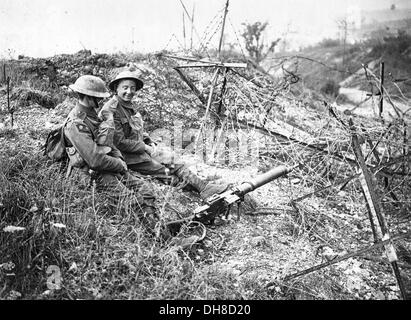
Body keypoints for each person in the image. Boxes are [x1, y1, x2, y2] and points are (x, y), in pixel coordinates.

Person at [99, 70, 230, 200]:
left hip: (137, 151)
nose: (129, 92)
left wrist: (148, 141)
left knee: (172, 160)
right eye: (125, 88)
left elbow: (136, 129)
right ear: (116, 88)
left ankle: (204, 188)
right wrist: (145, 147)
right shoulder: (111, 110)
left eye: (132, 88)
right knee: (165, 171)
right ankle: (200, 190)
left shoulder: (128, 105)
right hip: (124, 157)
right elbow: (119, 143)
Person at [63, 75, 164, 236]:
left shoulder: (92, 115)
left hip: (109, 165)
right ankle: (160, 239)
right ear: (88, 97)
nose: (100, 101)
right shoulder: (76, 123)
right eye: (97, 97)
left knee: (146, 190)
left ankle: (156, 227)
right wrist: (119, 165)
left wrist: (119, 160)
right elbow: (95, 160)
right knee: (132, 200)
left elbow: (109, 144)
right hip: (91, 173)